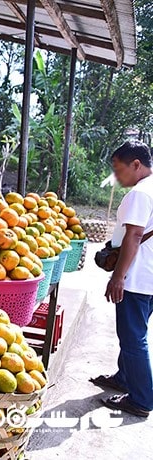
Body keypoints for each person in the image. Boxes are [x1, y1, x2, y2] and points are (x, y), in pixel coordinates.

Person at [92, 140, 153, 418]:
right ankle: (123, 378)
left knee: (132, 338)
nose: (117, 177)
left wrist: (118, 277)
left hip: (139, 277)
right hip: (149, 276)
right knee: (134, 334)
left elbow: (134, 236)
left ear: (136, 165)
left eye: (119, 170)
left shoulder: (140, 193)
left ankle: (140, 400)